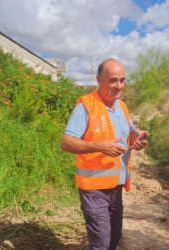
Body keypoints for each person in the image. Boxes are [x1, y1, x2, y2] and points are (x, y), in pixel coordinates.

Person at [61, 59, 148, 250]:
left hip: (115, 187)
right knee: (101, 242)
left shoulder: (122, 107)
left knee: (114, 238)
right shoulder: (86, 106)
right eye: (113, 80)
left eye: (122, 80)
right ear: (99, 79)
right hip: (94, 189)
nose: (119, 86)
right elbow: (66, 143)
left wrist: (137, 138)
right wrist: (100, 146)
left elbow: (130, 133)